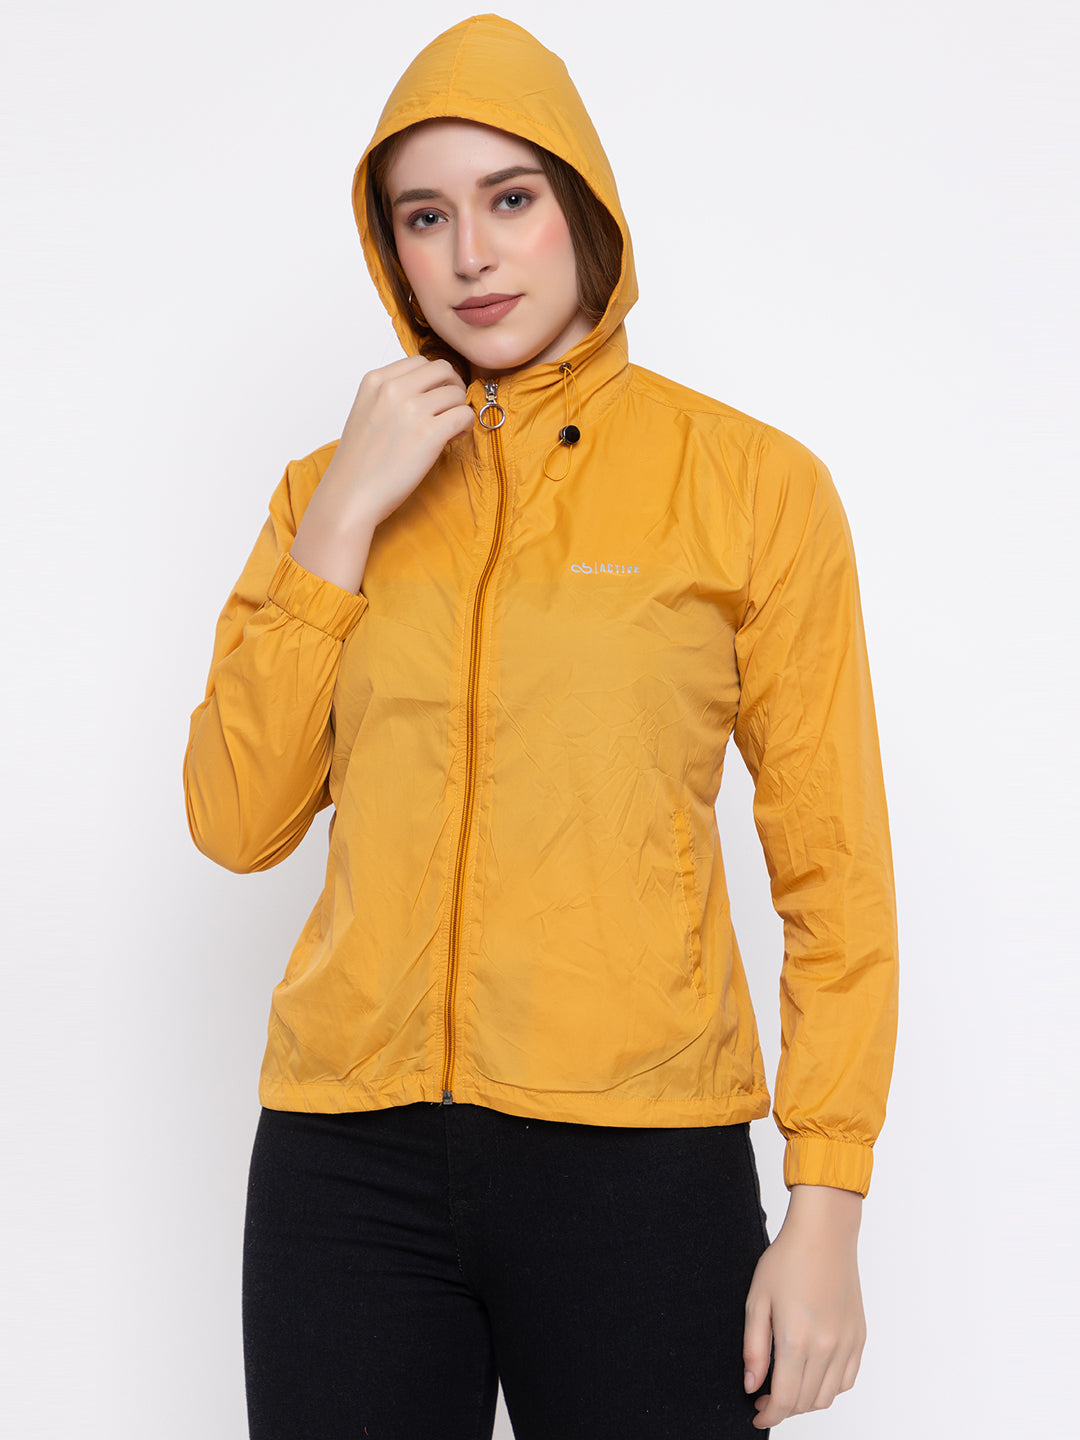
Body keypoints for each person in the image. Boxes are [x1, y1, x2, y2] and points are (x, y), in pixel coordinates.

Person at [183, 14, 899, 1439]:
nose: (472, 254)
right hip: (345, 1165)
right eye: (425, 216)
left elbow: (835, 872)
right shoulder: (325, 493)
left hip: (637, 1160)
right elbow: (237, 821)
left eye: (510, 199)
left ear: (581, 206)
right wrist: (344, 519)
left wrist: (826, 1206)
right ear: (391, 248)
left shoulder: (751, 485)